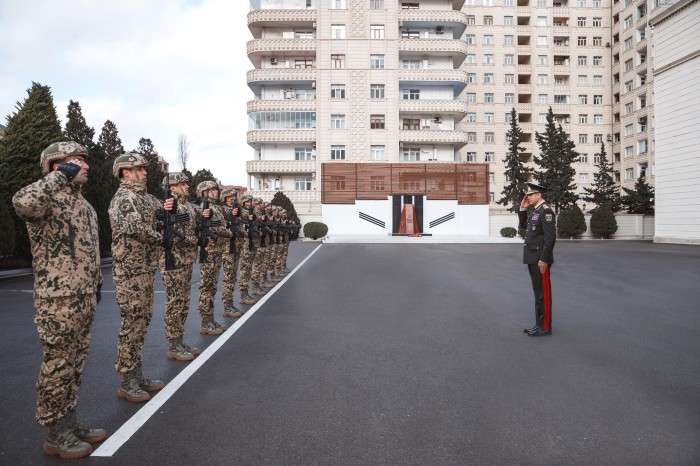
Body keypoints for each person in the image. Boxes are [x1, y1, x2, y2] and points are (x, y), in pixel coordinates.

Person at [13, 141, 106, 458]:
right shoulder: (46, 200)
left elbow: (91, 253)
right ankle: (54, 433)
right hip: (58, 300)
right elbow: (22, 203)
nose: (85, 164)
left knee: (75, 366)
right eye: (76, 160)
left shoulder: (86, 207)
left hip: (83, 298)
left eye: (84, 159)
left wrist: (97, 283)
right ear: (57, 166)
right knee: (57, 366)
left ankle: (69, 422)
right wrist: (58, 177)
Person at [109, 152, 171, 402]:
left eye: (145, 168)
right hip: (129, 271)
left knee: (142, 323)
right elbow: (134, 227)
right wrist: (162, 239)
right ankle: (126, 380)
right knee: (131, 324)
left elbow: (162, 209)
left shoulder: (146, 199)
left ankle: (137, 374)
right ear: (126, 172)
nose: (145, 172)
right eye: (140, 169)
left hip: (145, 270)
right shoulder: (125, 198)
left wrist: (169, 207)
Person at [160, 173, 201, 361]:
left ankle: (180, 340)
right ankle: (173, 344)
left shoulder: (187, 205)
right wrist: (194, 241)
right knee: (175, 302)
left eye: (186, 183)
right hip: (174, 260)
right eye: (182, 184)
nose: (187, 186)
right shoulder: (169, 205)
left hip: (186, 259)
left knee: (183, 302)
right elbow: (174, 233)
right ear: (173, 188)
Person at [518, 182, 556, 337]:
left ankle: (545, 327)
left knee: (543, 294)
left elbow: (550, 238)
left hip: (540, 260)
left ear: (539, 195)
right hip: (533, 258)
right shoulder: (535, 211)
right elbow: (522, 226)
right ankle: (538, 324)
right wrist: (523, 209)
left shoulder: (546, 211)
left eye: (531, 194)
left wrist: (544, 260)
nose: (528, 196)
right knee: (538, 294)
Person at [196, 180, 232, 335]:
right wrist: (229, 233)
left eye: (216, 190)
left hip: (217, 251)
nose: (216, 192)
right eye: (212, 190)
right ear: (204, 192)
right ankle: (205, 321)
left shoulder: (216, 207)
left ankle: (210, 319)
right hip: (209, 252)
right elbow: (217, 227)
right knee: (206, 287)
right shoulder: (204, 208)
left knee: (212, 287)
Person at [220, 188, 246, 319]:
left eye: (234, 197)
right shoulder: (222, 210)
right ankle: (227, 305)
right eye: (230, 197)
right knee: (228, 277)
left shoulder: (236, 211)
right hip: (227, 248)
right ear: (224, 198)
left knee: (232, 277)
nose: (233, 199)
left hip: (235, 246)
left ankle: (230, 303)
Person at [237, 194, 259, 305]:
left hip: (251, 242)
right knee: (245, 269)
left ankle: (245, 292)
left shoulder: (249, 212)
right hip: (245, 243)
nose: (250, 203)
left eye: (251, 201)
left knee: (249, 268)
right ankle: (243, 294)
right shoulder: (241, 212)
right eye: (248, 202)